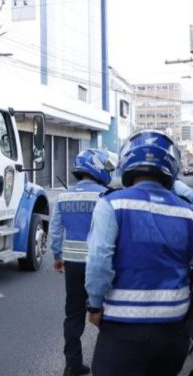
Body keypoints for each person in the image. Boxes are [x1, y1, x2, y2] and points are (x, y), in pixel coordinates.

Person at [85, 130, 193, 376]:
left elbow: (99, 260)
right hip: (173, 332)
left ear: (127, 163)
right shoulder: (188, 212)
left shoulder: (112, 204)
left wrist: (94, 306)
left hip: (123, 329)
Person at [50, 149, 115, 376]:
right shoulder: (106, 195)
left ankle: (73, 365)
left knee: (73, 314)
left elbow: (55, 231)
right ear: (96, 168)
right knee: (104, 313)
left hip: (73, 264)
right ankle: (105, 365)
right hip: (99, 264)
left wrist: (57, 257)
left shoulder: (62, 197)